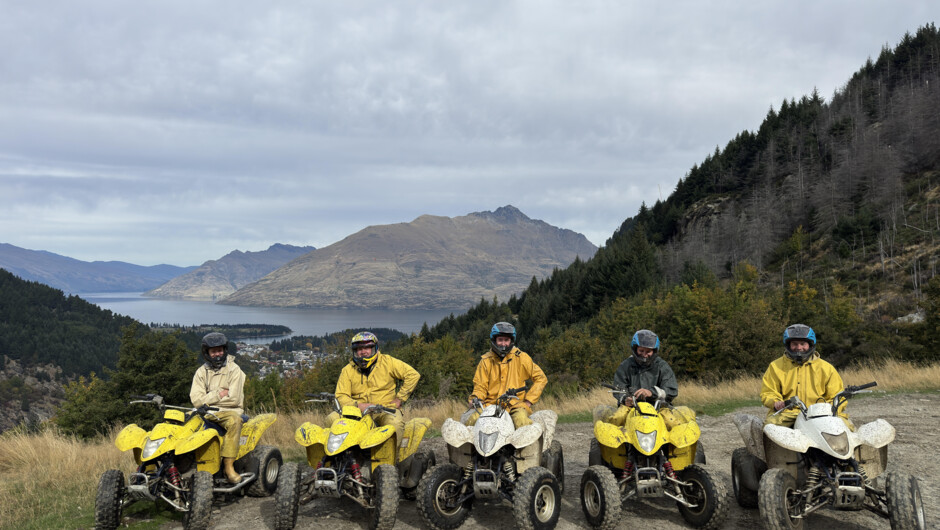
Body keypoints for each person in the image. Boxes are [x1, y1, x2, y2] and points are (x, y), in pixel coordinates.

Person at [332, 331, 420, 445]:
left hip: (385, 409)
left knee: (395, 424)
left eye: (367, 348)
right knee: (332, 419)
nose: (363, 352)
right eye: (359, 349)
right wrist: (357, 405)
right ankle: (338, 457)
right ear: (354, 351)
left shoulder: (388, 362)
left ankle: (393, 459)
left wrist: (400, 399)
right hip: (356, 412)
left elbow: (413, 375)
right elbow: (341, 395)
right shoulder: (347, 370)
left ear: (375, 348)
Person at [760, 323, 850, 428]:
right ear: (788, 345)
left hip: (822, 415)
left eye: (803, 344)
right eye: (794, 344)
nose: (799, 348)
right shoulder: (775, 366)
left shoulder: (826, 368)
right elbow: (768, 392)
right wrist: (776, 403)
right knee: (770, 428)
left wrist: (830, 409)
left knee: (847, 429)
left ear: (810, 345)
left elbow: (838, 396)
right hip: (787, 414)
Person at [466, 321, 547, 428]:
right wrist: (476, 399)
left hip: (515, 405)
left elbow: (541, 378)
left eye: (506, 340)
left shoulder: (522, 358)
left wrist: (528, 401)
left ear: (511, 341)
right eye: (500, 340)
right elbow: (480, 386)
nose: (503, 344)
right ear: (494, 340)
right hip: (490, 405)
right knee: (472, 421)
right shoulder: (485, 361)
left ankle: (528, 445)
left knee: (522, 422)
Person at [190, 332, 246, 484]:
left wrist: (207, 399)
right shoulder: (201, 372)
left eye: (220, 350)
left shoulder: (234, 370)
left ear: (225, 350)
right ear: (207, 353)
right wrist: (219, 394)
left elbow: (234, 398)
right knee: (179, 421)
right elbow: (196, 400)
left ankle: (229, 467)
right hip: (206, 412)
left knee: (235, 421)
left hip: (229, 412)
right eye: (213, 351)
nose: (217, 354)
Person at [601, 329, 681, 427]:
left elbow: (672, 389)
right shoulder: (625, 365)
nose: (644, 354)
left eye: (648, 351)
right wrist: (625, 399)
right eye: (641, 350)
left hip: (659, 407)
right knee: (616, 419)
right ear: (635, 349)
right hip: (631, 407)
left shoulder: (662, 366)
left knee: (672, 423)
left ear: (654, 351)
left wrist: (652, 393)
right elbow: (618, 387)